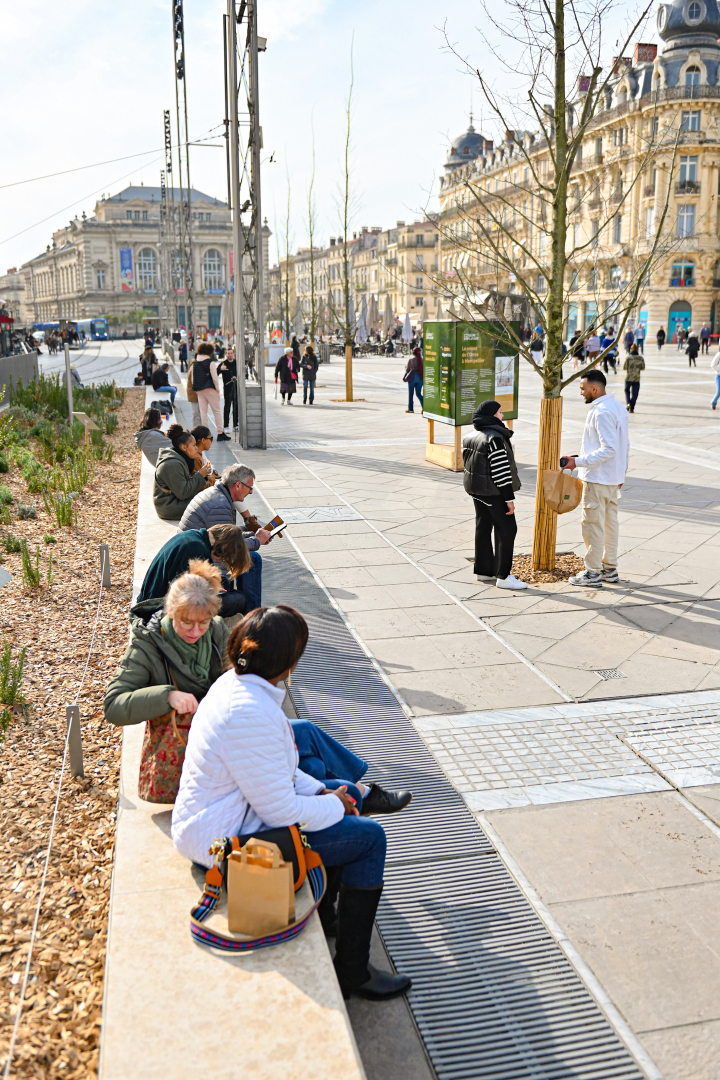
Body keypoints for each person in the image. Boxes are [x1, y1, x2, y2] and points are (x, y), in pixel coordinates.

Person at [171, 605, 413, 1001]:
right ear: (287, 663)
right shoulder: (248, 711)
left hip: (231, 814)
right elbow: (281, 812)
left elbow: (279, 769)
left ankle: (331, 914)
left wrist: (324, 794)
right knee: (370, 838)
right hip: (222, 839)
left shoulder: (237, 685)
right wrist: (336, 805)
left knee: (332, 790)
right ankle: (353, 971)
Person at [561, 368, 630, 588]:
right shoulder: (618, 407)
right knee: (610, 525)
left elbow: (609, 448)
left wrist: (577, 461)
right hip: (612, 478)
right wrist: (621, 473)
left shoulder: (601, 412)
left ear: (594, 388)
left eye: (582, 388)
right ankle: (609, 568)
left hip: (599, 478)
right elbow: (624, 446)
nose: (581, 393)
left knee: (592, 525)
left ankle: (593, 573)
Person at [179, 464, 272, 612]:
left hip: (200, 555)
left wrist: (253, 535)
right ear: (237, 485)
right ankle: (253, 616)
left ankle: (252, 613)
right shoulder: (219, 506)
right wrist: (257, 541)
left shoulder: (218, 494)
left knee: (252, 557)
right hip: (199, 568)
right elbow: (226, 547)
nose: (251, 491)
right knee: (252, 559)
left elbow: (226, 536)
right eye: (250, 488)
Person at [462, 400, 526, 591]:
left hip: (477, 491)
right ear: (491, 415)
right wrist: (509, 499)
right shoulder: (494, 438)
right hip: (494, 493)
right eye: (499, 412)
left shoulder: (471, 436)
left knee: (483, 526)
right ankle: (503, 576)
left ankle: (484, 570)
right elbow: (501, 472)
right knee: (507, 529)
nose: (502, 416)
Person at [136, 523, 253, 617]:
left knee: (224, 582)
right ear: (225, 546)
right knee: (239, 599)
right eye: (224, 557)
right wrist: (211, 591)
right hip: (156, 608)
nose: (219, 560)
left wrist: (213, 587)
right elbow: (187, 596)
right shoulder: (196, 550)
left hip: (156, 598)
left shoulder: (195, 537)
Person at [153, 425, 211, 522]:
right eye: (194, 445)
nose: (196, 448)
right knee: (211, 503)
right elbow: (183, 493)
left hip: (175, 500)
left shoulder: (180, 458)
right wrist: (201, 474)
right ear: (184, 447)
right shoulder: (172, 464)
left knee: (212, 498)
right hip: (168, 506)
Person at [192, 343, 229, 440]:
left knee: (203, 412)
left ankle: (206, 435)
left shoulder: (195, 363)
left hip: (199, 390)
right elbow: (215, 378)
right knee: (216, 411)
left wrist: (196, 390)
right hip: (210, 389)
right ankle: (220, 433)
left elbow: (193, 378)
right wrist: (217, 389)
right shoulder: (210, 363)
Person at [216, 349, 238, 433]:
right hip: (227, 388)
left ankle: (236, 424)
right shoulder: (223, 363)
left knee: (236, 407)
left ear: (234, 354)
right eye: (228, 353)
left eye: (231, 353)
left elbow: (244, 373)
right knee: (227, 407)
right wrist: (221, 369)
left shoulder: (237, 363)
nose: (230, 355)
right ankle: (226, 426)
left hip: (236, 388)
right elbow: (216, 372)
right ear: (226, 354)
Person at [623, 344, 645, 413]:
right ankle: (632, 406)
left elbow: (624, 367)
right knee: (635, 393)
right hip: (636, 378)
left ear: (631, 349)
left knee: (627, 391)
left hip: (628, 377)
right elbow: (643, 367)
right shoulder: (640, 358)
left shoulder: (628, 358)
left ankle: (628, 403)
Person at [404, 347, 424, 413]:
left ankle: (411, 409)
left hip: (412, 378)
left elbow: (408, 370)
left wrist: (406, 368)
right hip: (420, 378)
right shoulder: (422, 360)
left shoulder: (411, 360)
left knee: (411, 394)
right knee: (418, 393)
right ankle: (424, 407)